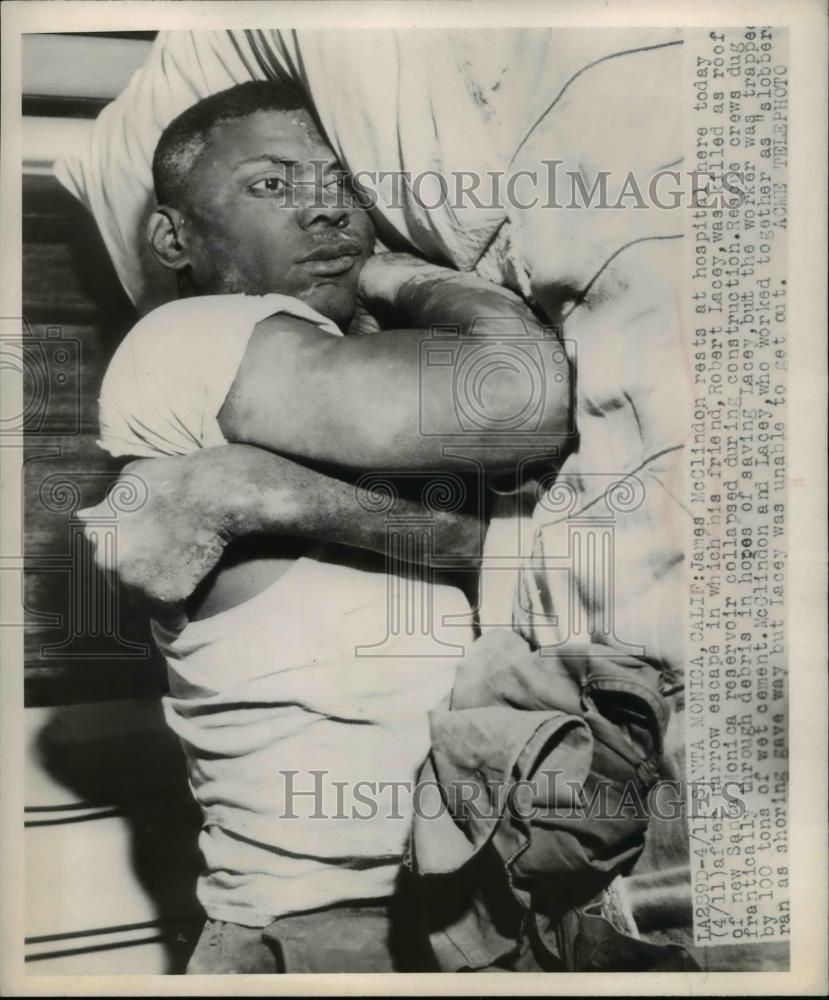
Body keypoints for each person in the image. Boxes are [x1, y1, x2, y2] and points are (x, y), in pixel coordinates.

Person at [83, 82, 572, 973]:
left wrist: (272, 494)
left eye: (339, 181)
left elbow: (483, 547)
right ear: (173, 239)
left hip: (446, 921)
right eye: (270, 185)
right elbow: (512, 398)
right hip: (321, 934)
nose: (326, 211)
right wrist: (409, 274)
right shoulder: (190, 336)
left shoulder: (335, 375)